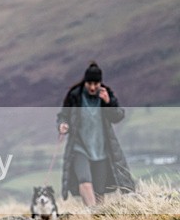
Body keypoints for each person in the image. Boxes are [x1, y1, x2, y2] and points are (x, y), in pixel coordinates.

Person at [57, 61, 135, 206]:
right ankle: (91, 214)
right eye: (89, 83)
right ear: (85, 82)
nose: (92, 87)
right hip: (79, 147)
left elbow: (118, 116)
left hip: (102, 150)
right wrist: (62, 125)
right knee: (84, 181)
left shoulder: (106, 95)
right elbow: (63, 115)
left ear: (100, 83)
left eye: (96, 83)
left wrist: (108, 102)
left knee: (99, 190)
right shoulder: (75, 95)